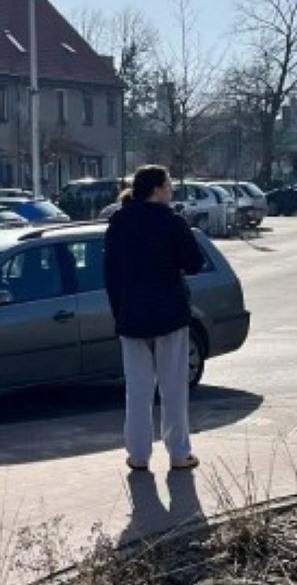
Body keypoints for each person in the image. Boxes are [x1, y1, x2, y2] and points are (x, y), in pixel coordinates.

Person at [104, 166, 205, 472]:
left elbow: (110, 273)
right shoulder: (170, 222)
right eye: (169, 185)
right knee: (173, 387)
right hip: (169, 315)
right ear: (158, 189)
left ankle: (137, 454)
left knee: (137, 390)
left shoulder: (118, 222)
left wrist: (119, 313)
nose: (171, 189)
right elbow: (194, 263)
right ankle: (178, 452)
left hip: (131, 316)